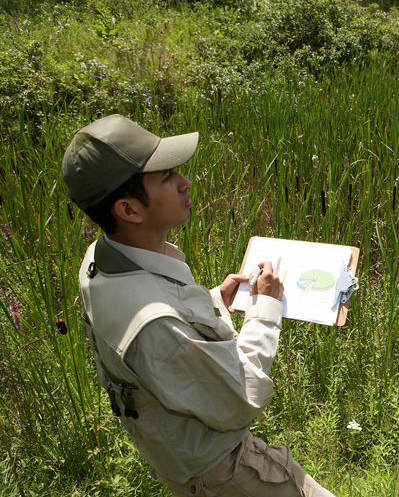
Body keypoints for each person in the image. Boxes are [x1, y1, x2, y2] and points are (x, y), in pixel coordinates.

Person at [62, 114, 335, 497]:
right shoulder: (159, 325)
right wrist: (265, 308)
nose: (184, 182)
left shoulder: (100, 260)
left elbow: (163, 348)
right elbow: (242, 398)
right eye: (165, 177)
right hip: (225, 475)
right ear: (129, 210)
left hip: (185, 465)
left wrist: (212, 303)